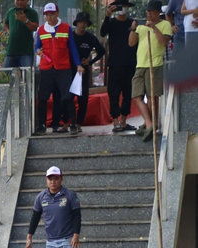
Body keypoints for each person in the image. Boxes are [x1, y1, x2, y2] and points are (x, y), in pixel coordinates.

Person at [25, 166, 81, 248]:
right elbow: (35, 217)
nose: (52, 182)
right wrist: (29, 237)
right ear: (46, 180)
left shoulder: (70, 195)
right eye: (50, 179)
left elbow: (77, 216)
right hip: (51, 241)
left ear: (61, 179)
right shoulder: (41, 197)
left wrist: (76, 235)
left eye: (56, 179)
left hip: (68, 239)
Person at [130, 0, 173, 142]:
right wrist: (132, 29)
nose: (148, 13)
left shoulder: (165, 24)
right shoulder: (142, 27)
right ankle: (149, 123)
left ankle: (150, 124)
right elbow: (131, 43)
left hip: (154, 64)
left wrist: (154, 27)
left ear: (158, 12)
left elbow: (163, 42)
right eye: (147, 11)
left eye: (151, 11)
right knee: (136, 96)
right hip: (140, 64)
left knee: (152, 96)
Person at [34, 2, 80, 135]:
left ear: (57, 14)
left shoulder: (66, 28)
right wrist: (38, 51)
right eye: (47, 15)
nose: (49, 17)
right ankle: (42, 126)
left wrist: (78, 64)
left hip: (63, 68)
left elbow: (72, 48)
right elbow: (37, 46)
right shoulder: (41, 30)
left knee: (67, 96)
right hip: (46, 68)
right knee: (42, 97)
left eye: (52, 14)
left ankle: (72, 125)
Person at [101, 1, 139, 132]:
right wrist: (107, 15)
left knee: (128, 92)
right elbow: (102, 32)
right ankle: (115, 120)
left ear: (128, 7)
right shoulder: (111, 22)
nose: (122, 9)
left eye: (124, 6)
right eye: (120, 6)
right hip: (115, 63)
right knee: (114, 93)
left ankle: (123, 120)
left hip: (131, 62)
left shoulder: (132, 23)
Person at [70, 12, 105, 132]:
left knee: (83, 99)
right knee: (68, 98)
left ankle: (79, 123)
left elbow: (102, 51)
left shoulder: (90, 38)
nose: (82, 25)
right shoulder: (71, 36)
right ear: (76, 23)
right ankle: (68, 123)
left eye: (85, 22)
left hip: (83, 72)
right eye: (80, 22)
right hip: (69, 70)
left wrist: (90, 62)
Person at [5, 0, 40, 68]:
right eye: (18, 0)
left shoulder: (32, 12)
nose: (20, 2)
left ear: (27, 1)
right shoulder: (10, 12)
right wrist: (9, 31)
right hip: (11, 51)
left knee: (27, 76)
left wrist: (25, 20)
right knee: (7, 76)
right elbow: (6, 23)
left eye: (22, 0)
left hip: (26, 52)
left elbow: (35, 27)